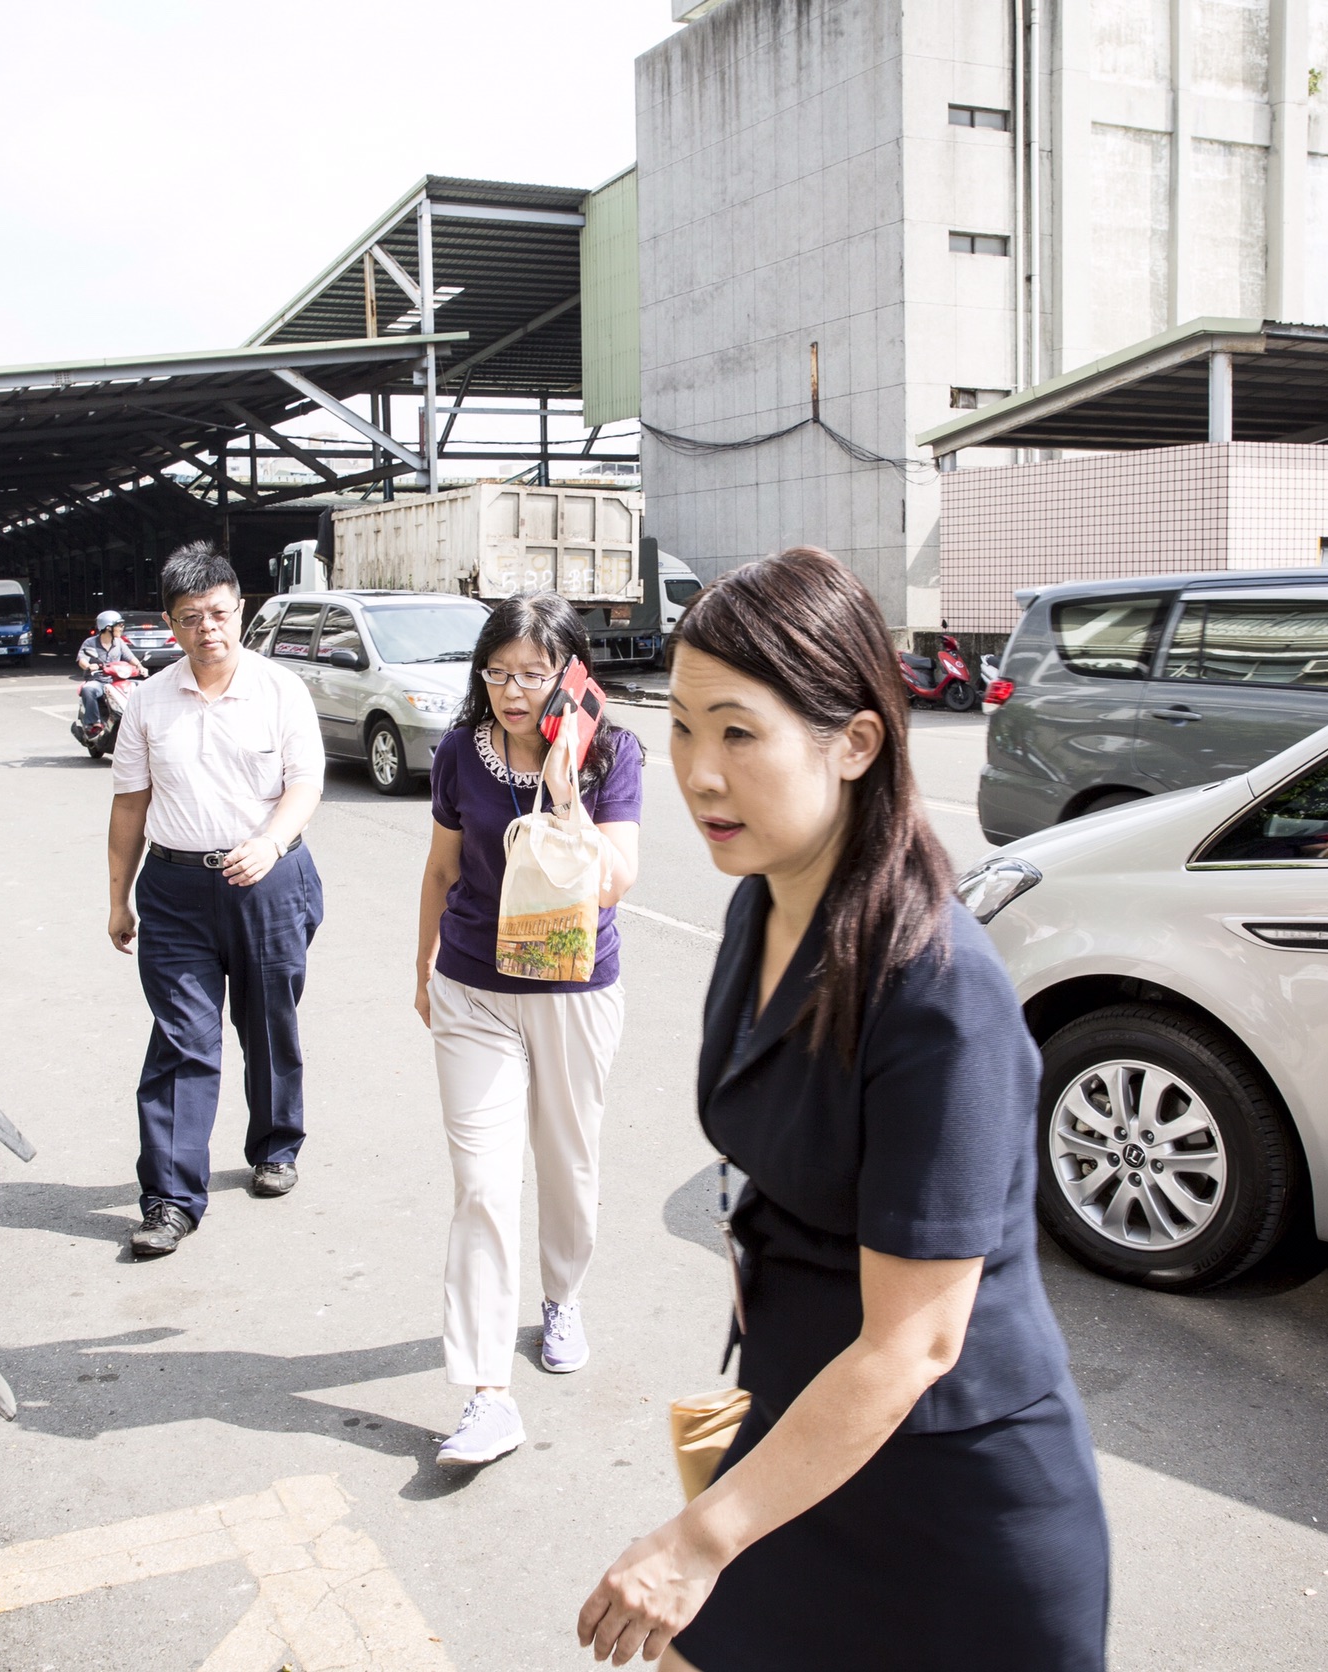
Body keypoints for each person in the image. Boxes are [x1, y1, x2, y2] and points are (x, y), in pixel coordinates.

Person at [577, 549, 1109, 1671]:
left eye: (738, 732)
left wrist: (699, 1538)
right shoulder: (761, 905)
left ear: (856, 742)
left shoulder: (939, 992)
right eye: (682, 728)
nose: (699, 773)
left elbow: (917, 1341)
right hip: (800, 1438)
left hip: (950, 1497)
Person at [415, 595, 644, 1466]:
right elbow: (440, 868)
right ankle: (487, 1394)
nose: (512, 692)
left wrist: (565, 784)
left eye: (533, 675)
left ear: (570, 674)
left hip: (573, 990)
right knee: (481, 1183)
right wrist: (423, 968)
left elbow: (614, 880)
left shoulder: (612, 752)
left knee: (567, 1162)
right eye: (498, 673)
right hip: (472, 989)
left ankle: (561, 1296)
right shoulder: (457, 753)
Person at [105, 546, 325, 1257]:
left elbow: (305, 783)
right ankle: (170, 1199)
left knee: (268, 1022)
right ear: (171, 624)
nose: (208, 629)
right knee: (181, 1039)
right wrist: (118, 899)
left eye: (220, 614)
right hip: (175, 893)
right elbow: (129, 806)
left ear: (241, 611)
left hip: (268, 881)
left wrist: (270, 842)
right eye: (191, 618)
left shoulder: (281, 690)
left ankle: (276, 1146)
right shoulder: (147, 702)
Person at [78, 611, 139, 733]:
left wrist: (140, 667)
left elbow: (130, 657)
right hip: (98, 680)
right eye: (119, 625)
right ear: (108, 628)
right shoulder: (90, 642)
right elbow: (82, 660)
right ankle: (93, 723)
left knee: (140, 687)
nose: (122, 628)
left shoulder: (119, 642)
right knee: (88, 689)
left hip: (116, 680)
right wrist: (89, 666)